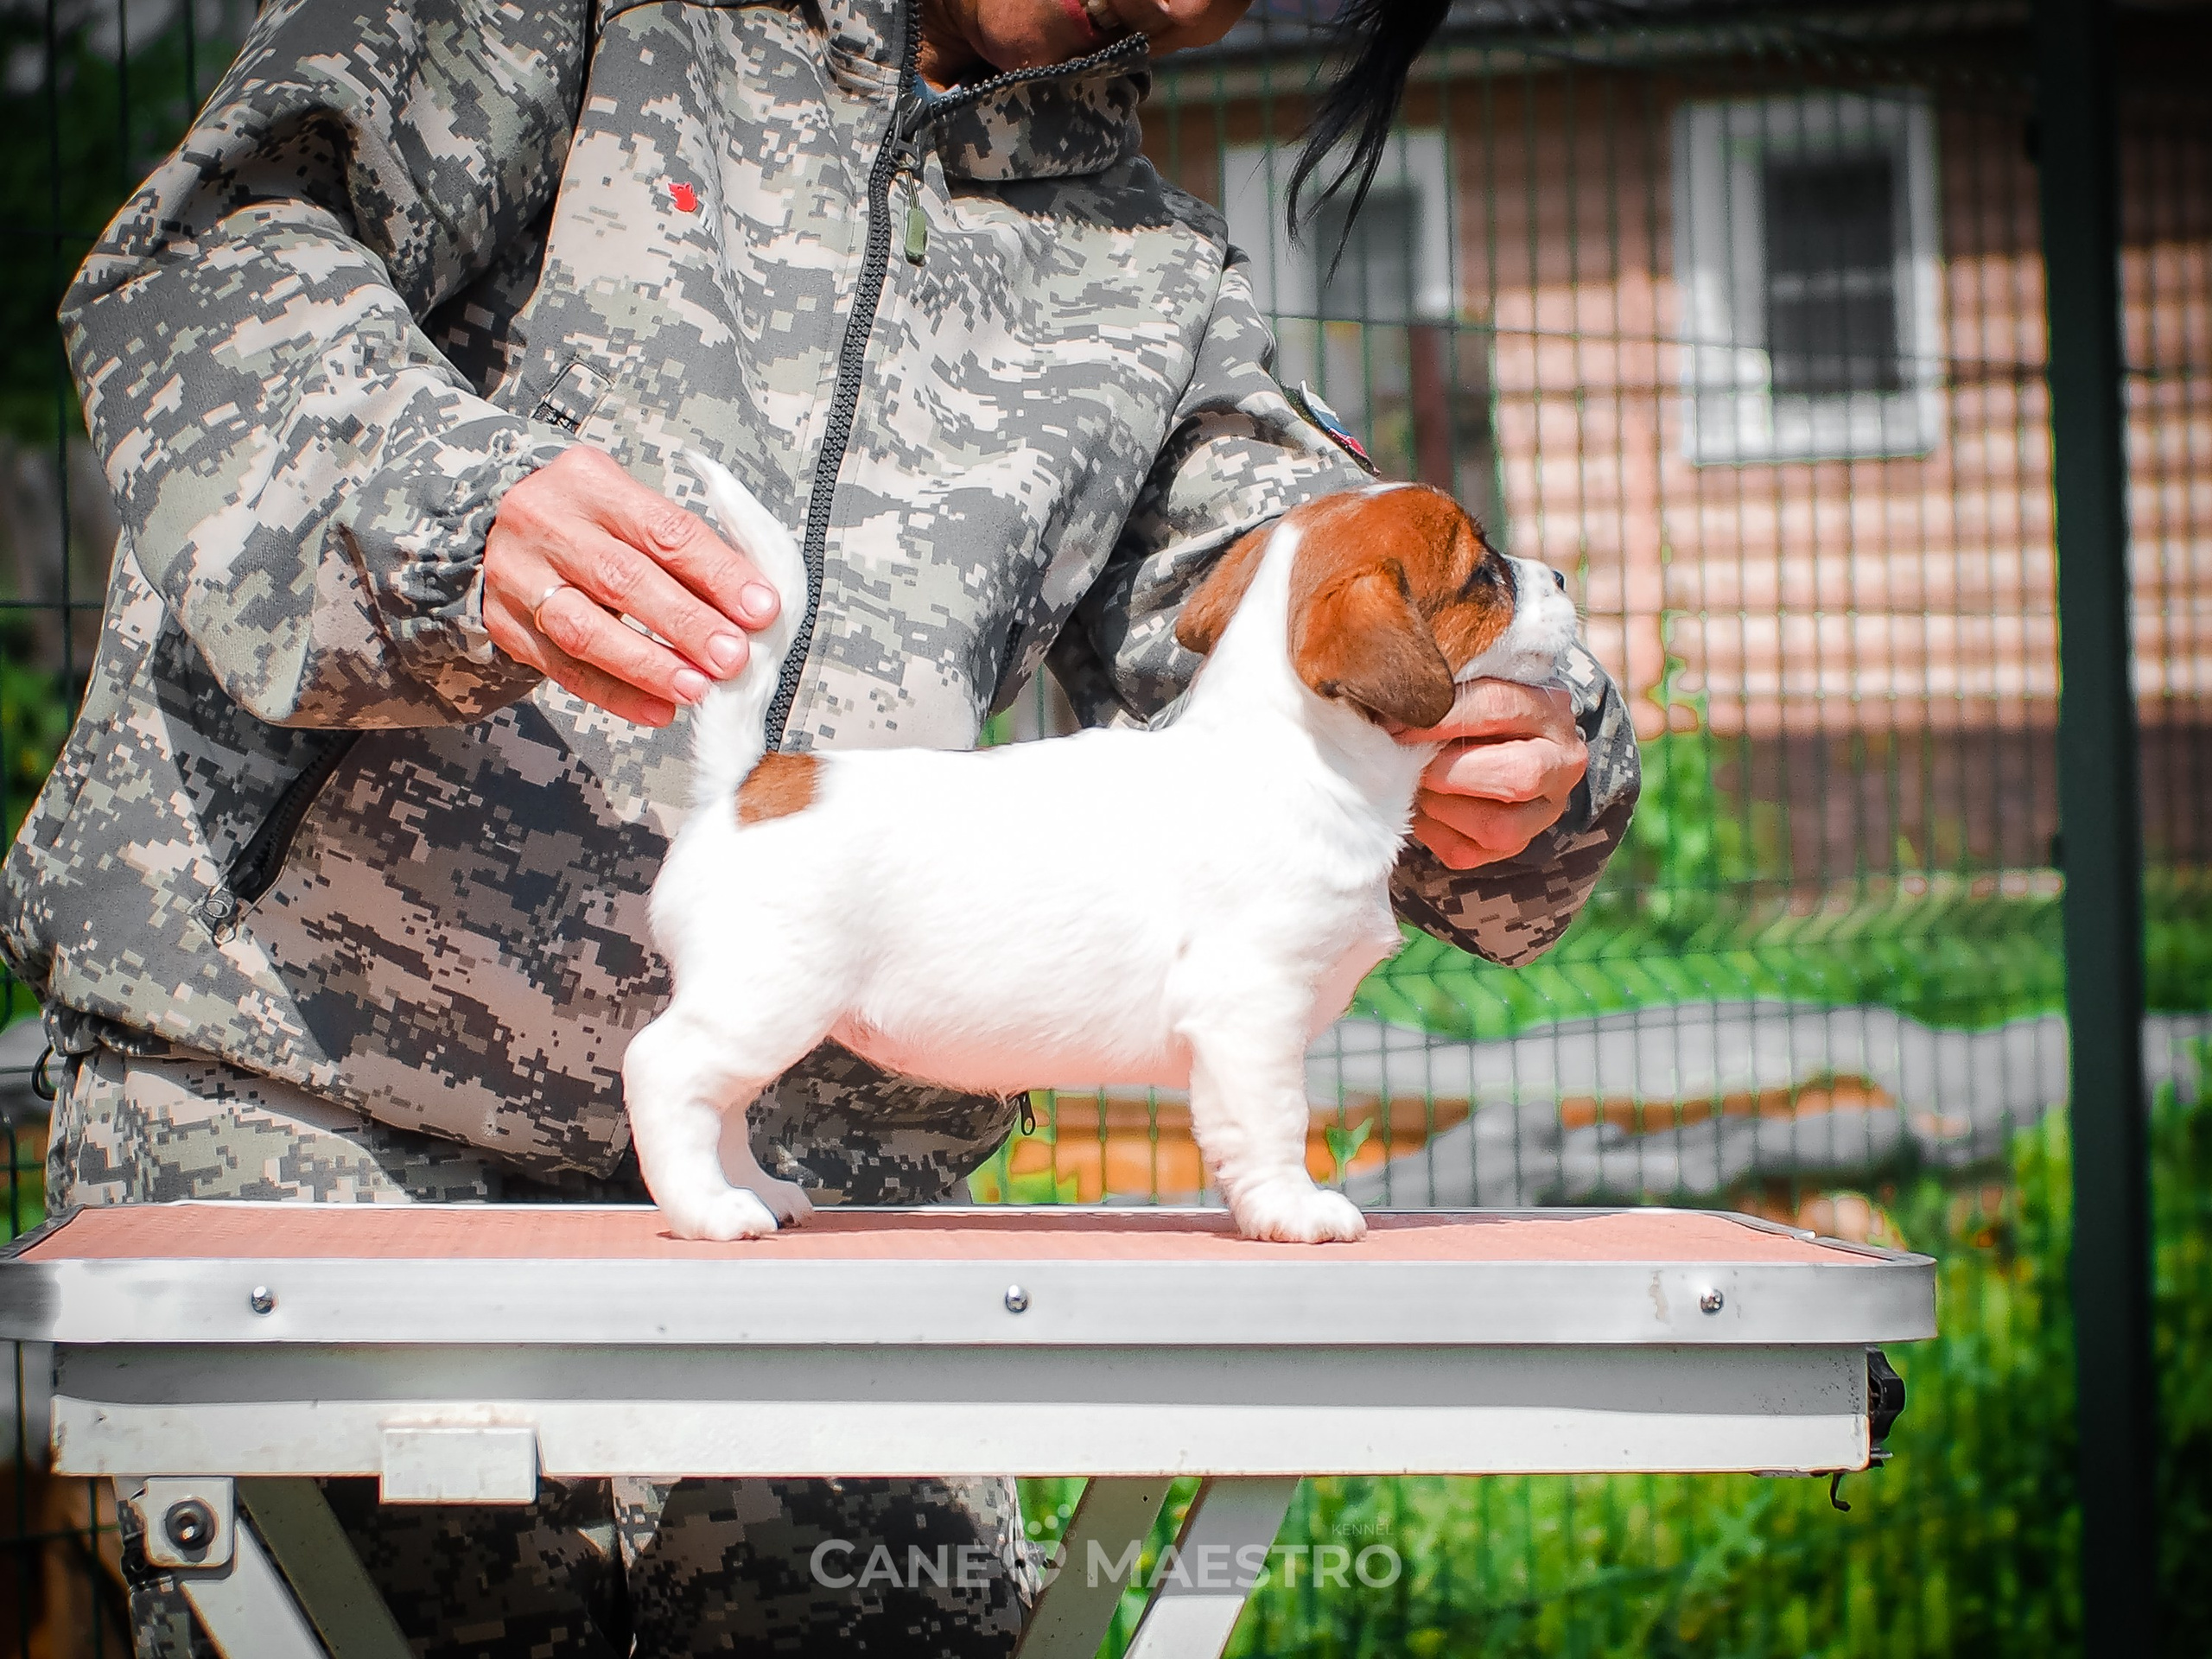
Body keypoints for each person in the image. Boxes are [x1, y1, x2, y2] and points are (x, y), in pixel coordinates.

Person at [3, 0, 1639, 1651]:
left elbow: (1306, 595)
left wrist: (1532, 761)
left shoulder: (1152, 273)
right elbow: (204, 262)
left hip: (841, 1209)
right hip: (319, 1133)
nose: (1157, 9)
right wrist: (442, 503)